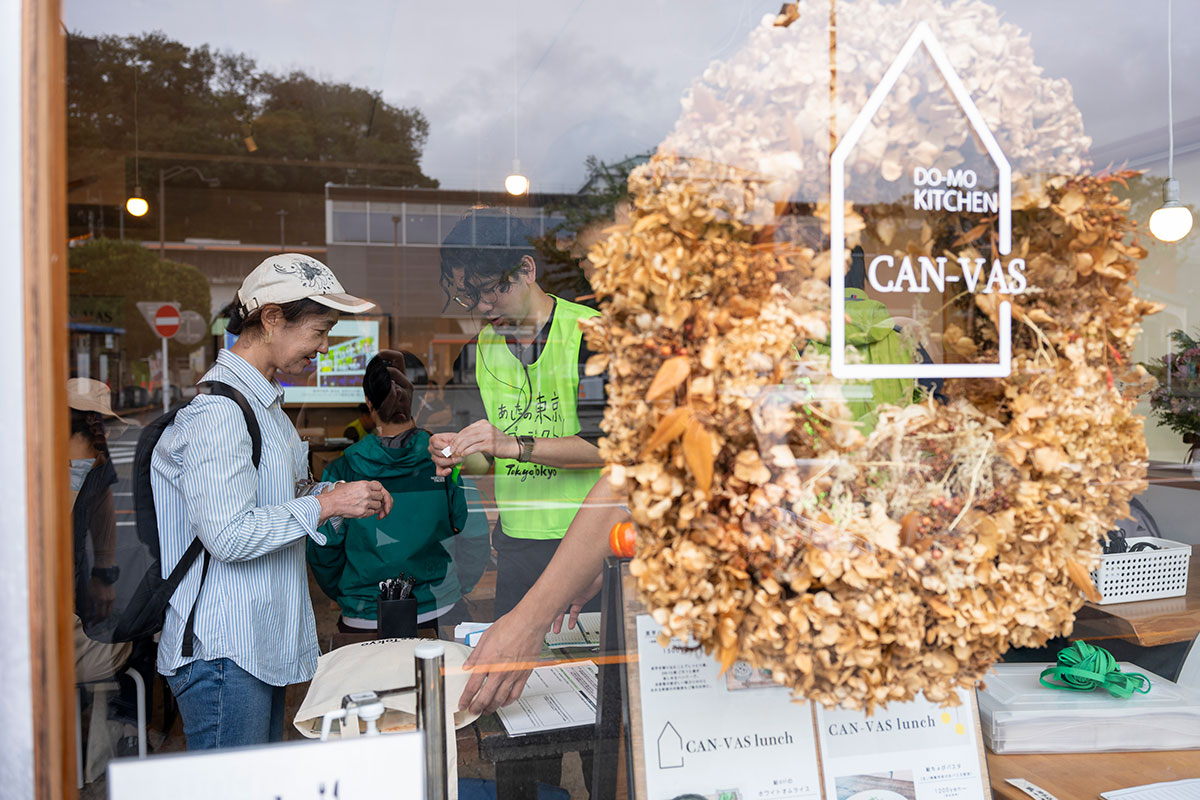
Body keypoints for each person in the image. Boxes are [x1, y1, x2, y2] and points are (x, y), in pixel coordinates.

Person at [151, 253, 394, 750]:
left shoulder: (264, 406)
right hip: (224, 651)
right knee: (237, 784)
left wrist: (334, 496)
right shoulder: (218, 413)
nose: (324, 347)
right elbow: (229, 535)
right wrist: (326, 506)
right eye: (320, 331)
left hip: (254, 644)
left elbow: (274, 501)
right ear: (272, 318)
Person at [429, 209, 606, 621]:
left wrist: (513, 445)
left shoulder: (592, 335)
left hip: (589, 543)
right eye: (468, 296)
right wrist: (456, 453)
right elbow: (484, 460)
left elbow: (606, 448)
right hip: (515, 543)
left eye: (490, 290)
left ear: (526, 269)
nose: (483, 306)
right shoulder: (476, 352)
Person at [308, 351, 488, 633]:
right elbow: (474, 534)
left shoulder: (342, 470)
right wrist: (451, 585)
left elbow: (323, 550)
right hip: (441, 608)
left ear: (368, 402)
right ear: (419, 399)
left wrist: (352, 594)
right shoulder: (446, 462)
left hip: (364, 615)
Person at [68, 378, 137, 780]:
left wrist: (102, 575)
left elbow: (102, 519)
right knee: (136, 634)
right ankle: (118, 740)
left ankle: (103, 749)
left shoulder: (88, 466)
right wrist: (105, 576)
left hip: (71, 603)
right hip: (61, 632)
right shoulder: (82, 470)